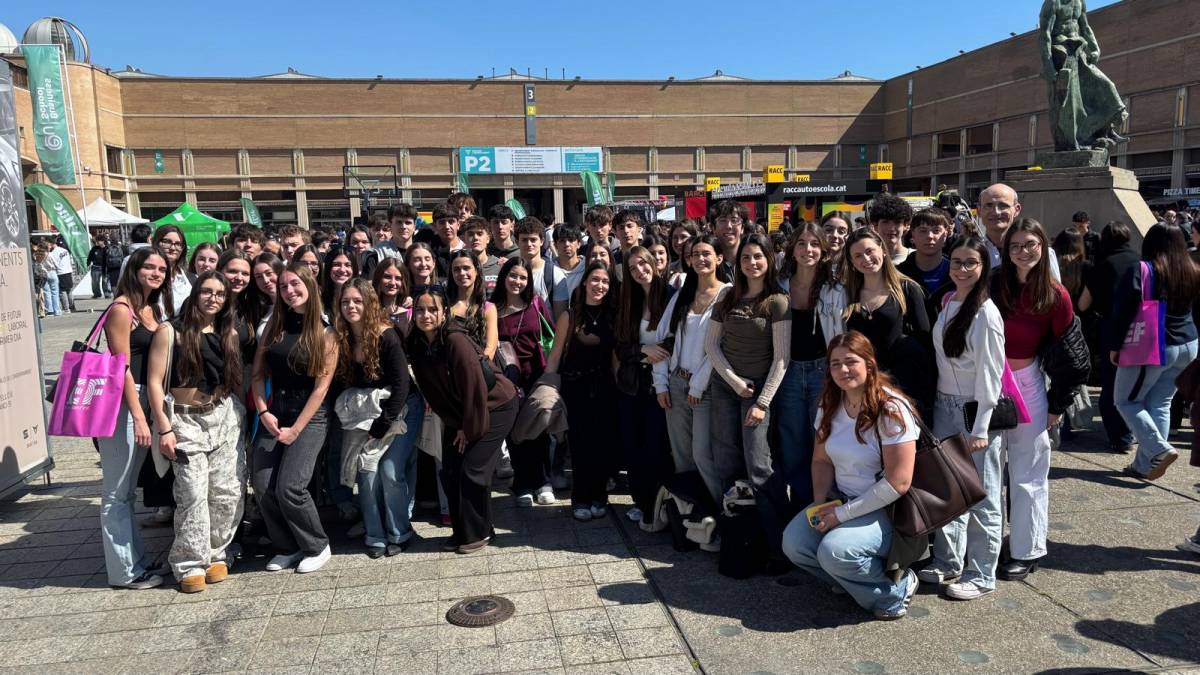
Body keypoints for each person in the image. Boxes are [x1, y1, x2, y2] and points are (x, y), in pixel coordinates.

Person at [780, 331, 920, 620]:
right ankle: (852, 582)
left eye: (851, 361)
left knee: (835, 552)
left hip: (888, 509)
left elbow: (899, 482)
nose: (843, 370)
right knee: (795, 543)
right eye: (835, 364)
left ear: (869, 364)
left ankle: (896, 590)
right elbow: (820, 460)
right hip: (843, 501)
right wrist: (821, 506)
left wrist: (840, 516)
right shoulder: (829, 404)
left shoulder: (891, 409)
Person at [146, 271, 245, 593]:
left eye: (220, 293)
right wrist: (164, 429)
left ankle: (218, 551)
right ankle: (189, 561)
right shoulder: (170, 331)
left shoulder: (227, 331)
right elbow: (154, 382)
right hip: (184, 419)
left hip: (222, 415)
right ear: (195, 292)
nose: (213, 298)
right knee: (191, 493)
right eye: (207, 291)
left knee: (226, 491)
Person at [922, 237, 1006, 600]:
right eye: (956, 262)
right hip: (944, 406)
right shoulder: (950, 302)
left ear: (984, 266)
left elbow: (992, 373)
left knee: (982, 495)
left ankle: (982, 573)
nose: (962, 269)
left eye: (970, 262)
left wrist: (982, 425)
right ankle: (948, 559)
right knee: (948, 490)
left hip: (973, 409)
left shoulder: (986, 312)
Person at [992, 218, 1075, 580]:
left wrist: (1058, 404)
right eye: (1015, 246)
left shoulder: (1055, 295)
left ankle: (1027, 549)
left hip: (1027, 383)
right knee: (989, 471)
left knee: (1027, 472)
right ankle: (987, 546)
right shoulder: (995, 284)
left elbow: (1072, 355)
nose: (1023, 252)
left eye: (1030, 244)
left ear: (1043, 246)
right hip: (989, 382)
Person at [407, 286, 519, 553]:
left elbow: (475, 389)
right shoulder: (417, 343)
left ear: (444, 311)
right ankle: (463, 531)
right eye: (420, 310)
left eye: (433, 309)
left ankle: (479, 533)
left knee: (473, 469)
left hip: (495, 406)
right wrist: (457, 425)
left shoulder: (455, 340)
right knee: (450, 469)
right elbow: (432, 391)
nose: (426, 315)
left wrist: (467, 429)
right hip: (460, 412)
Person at [251, 263, 338, 574]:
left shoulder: (326, 332)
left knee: (291, 487)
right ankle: (287, 546)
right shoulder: (273, 327)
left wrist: (296, 430)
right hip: (275, 411)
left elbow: (321, 388)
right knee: (262, 485)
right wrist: (263, 411)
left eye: (295, 284)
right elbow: (258, 376)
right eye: (284, 286)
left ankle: (316, 545)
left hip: (310, 417)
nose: (289, 291)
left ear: (310, 286)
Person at [705, 234, 791, 522]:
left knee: (759, 465)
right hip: (726, 387)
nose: (752, 262)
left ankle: (776, 541)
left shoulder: (778, 301)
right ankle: (736, 530)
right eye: (745, 257)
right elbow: (711, 345)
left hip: (758, 393)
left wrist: (762, 401)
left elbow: (781, 358)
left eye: (758, 256)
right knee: (726, 461)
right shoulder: (727, 297)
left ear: (769, 259)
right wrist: (733, 382)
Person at [98, 247, 169, 589]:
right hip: (125, 403)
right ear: (134, 269)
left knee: (128, 491)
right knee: (117, 492)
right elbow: (120, 368)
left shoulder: (150, 307)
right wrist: (139, 416)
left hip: (145, 399)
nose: (156, 273)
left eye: (161, 268)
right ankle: (124, 571)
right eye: (149, 267)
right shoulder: (121, 309)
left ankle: (136, 561)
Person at [334, 278, 417, 557]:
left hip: (401, 409)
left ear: (369, 303)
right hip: (364, 413)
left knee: (390, 471)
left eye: (357, 301)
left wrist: (382, 425)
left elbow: (402, 385)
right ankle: (375, 533)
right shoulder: (341, 336)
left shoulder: (387, 335)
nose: (351, 306)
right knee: (366, 473)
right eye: (346, 301)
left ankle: (400, 531)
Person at [1109, 224, 1199, 480]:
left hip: (1154, 345)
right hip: (1188, 343)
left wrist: (1115, 346)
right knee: (1160, 402)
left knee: (1126, 401)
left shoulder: (1143, 269)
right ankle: (1145, 464)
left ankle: (1158, 449)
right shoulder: (1192, 269)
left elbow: (1123, 312)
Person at [655, 235, 730, 505]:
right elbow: (664, 339)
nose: (700, 259)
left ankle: (719, 510)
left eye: (706, 253)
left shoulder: (728, 294)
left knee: (703, 454)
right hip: (676, 383)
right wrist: (661, 383)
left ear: (719, 258)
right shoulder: (684, 294)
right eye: (695, 254)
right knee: (682, 455)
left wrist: (698, 385)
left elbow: (720, 347)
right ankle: (690, 512)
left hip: (706, 388)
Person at [775, 223, 847, 505]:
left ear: (824, 249)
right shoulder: (779, 285)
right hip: (788, 371)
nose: (808, 250)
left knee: (822, 442)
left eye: (815, 244)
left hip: (822, 370)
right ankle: (800, 508)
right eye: (802, 243)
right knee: (792, 445)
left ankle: (821, 505)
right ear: (793, 248)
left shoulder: (835, 288)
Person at [546, 263, 618, 521]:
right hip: (574, 387)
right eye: (595, 280)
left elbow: (614, 358)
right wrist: (550, 386)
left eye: (605, 282)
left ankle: (599, 496)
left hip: (605, 387)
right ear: (585, 283)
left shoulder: (613, 315)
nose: (600, 286)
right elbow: (555, 356)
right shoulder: (570, 315)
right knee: (579, 445)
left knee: (602, 445)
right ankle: (580, 498)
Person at [843, 228, 934, 418]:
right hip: (863, 386)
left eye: (870, 251)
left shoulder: (907, 289)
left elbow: (925, 343)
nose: (866, 259)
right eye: (858, 255)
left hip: (903, 388)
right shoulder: (848, 293)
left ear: (882, 250)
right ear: (851, 262)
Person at [614, 246, 675, 530]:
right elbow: (621, 347)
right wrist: (642, 350)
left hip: (661, 387)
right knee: (633, 446)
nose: (640, 270)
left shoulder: (672, 296)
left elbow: (679, 339)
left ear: (653, 262)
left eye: (643, 263)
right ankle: (641, 503)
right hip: (632, 384)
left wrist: (657, 351)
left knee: (657, 448)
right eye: (633, 268)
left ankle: (660, 504)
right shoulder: (628, 299)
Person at [493, 256, 557, 507]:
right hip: (507, 380)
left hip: (536, 375)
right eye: (513, 276)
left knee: (539, 429)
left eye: (522, 277)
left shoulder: (536, 304)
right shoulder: (492, 308)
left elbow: (550, 333)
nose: (517, 281)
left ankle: (544, 481)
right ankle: (522, 482)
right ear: (503, 277)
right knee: (515, 433)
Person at [1085, 222, 1139, 453]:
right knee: (1135, 384)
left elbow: (1084, 303)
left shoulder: (1101, 265)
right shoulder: (1140, 261)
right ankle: (1132, 431)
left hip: (1110, 326)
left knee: (1111, 384)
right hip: (1139, 328)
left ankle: (1119, 435)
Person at [447, 250, 499, 360]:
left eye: (466, 268)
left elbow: (490, 348)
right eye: (456, 269)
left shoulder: (488, 308)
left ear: (476, 270)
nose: (461, 273)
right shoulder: (445, 307)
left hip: (482, 367)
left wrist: (475, 367)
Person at [517, 217, 568, 319]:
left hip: (546, 334)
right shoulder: (510, 274)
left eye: (533, 239)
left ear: (541, 241)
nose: (529, 244)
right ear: (517, 242)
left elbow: (561, 320)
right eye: (524, 240)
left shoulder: (555, 274)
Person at [897, 208, 952, 299]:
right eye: (923, 231)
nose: (930, 236)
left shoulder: (958, 273)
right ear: (913, 235)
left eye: (936, 231)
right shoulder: (898, 274)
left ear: (945, 235)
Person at [152, 225, 192, 316]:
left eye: (178, 244)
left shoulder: (189, 278)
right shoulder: (148, 276)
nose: (173, 248)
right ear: (156, 242)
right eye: (167, 242)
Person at [461, 216, 504, 294]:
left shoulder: (500, 265)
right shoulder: (459, 266)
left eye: (480, 234)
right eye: (471, 234)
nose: (475, 238)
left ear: (488, 238)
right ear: (464, 239)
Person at [869, 193, 914, 265]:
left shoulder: (918, 258)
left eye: (897, 222)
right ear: (875, 226)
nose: (891, 228)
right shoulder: (868, 260)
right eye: (885, 222)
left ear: (906, 225)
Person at [710, 200, 747, 282]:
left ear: (742, 228)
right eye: (723, 220)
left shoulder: (753, 260)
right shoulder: (709, 263)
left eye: (734, 220)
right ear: (713, 228)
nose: (729, 226)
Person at [374, 257, 412, 335]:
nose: (392, 282)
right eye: (387, 277)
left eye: (398, 278)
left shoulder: (410, 313)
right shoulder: (369, 310)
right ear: (378, 278)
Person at [248, 252, 285, 331]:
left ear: (279, 271)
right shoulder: (259, 309)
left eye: (269, 273)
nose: (265, 280)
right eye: (258, 277)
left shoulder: (295, 306)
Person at [320, 245, 360, 311]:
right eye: (336, 265)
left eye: (348, 265)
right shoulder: (318, 298)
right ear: (328, 268)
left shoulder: (364, 297)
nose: (342, 270)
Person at [552, 225, 586, 296]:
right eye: (562, 241)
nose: (567, 244)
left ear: (579, 244)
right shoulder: (549, 270)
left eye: (571, 240)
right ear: (555, 245)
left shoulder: (588, 267)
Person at [46, 237, 75, 314]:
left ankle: (66, 308)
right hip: (69, 271)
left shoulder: (53, 253)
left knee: (62, 291)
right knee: (69, 290)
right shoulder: (64, 250)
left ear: (51, 244)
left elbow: (54, 264)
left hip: (61, 272)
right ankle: (72, 307)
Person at [820, 212, 852, 280]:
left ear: (848, 236)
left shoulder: (854, 267)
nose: (835, 235)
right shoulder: (811, 264)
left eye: (841, 232)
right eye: (829, 230)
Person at [87, 235, 113, 299]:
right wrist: (88, 263)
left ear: (103, 241)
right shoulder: (94, 248)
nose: (97, 242)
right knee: (95, 282)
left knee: (105, 282)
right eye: (97, 241)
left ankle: (107, 293)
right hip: (95, 267)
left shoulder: (107, 248)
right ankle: (97, 294)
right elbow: (89, 257)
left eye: (99, 241)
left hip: (105, 267)